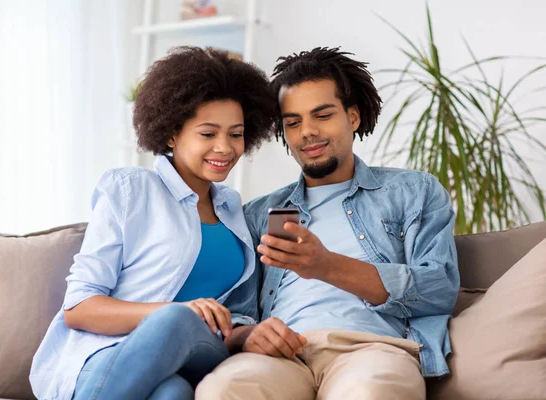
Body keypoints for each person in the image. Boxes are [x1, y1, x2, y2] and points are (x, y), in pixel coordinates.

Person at [196, 47, 460, 400]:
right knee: (222, 389)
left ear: (352, 117)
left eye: (322, 115)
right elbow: (237, 311)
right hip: (281, 355)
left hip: (372, 351)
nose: (307, 132)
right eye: (293, 122)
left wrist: (327, 266)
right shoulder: (259, 214)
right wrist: (247, 335)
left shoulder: (414, 191)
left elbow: (439, 288)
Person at [30, 46, 276, 400]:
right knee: (172, 393)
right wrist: (173, 312)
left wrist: (247, 333)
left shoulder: (233, 207)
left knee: (179, 328)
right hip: (107, 356)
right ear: (172, 134)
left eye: (235, 134)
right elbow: (79, 308)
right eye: (208, 134)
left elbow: (236, 314)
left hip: (200, 350)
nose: (224, 148)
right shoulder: (130, 190)